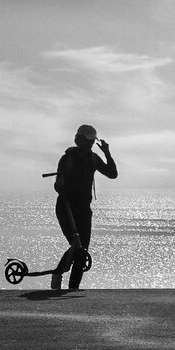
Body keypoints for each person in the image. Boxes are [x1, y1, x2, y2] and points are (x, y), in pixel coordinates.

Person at [52, 124, 118, 290]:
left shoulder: (93, 159)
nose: (89, 144)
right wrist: (60, 185)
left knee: (83, 251)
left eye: (91, 142)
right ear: (78, 140)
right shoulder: (67, 158)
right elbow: (57, 185)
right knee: (77, 246)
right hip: (66, 208)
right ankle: (58, 273)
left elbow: (112, 174)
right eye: (87, 141)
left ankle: (73, 289)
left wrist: (107, 153)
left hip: (83, 210)